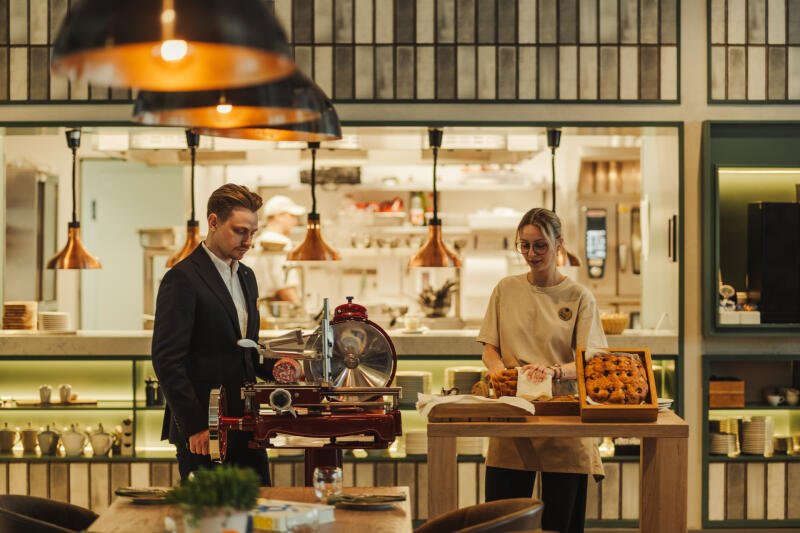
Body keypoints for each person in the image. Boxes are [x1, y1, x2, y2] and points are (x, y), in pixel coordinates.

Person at [477, 207, 607, 533]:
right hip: (512, 417)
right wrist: (497, 369)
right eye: (524, 246)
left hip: (564, 421)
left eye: (540, 246)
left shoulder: (579, 297)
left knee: (560, 525)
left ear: (559, 244)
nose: (531, 254)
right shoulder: (505, 289)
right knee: (503, 524)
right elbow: (490, 347)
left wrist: (554, 372)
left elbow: (591, 361)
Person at [152, 183, 273, 485]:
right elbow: (167, 360)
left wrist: (280, 367)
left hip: (247, 422)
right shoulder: (182, 278)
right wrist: (196, 425)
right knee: (209, 511)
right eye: (240, 231)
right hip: (205, 430)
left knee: (260, 507)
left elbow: (245, 348)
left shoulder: (247, 276)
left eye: (252, 233)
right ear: (214, 222)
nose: (248, 241)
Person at [250, 195, 306, 305]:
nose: (295, 222)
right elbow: (284, 286)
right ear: (279, 216)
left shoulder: (260, 240)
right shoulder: (280, 243)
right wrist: (299, 308)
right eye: (292, 216)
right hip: (275, 307)